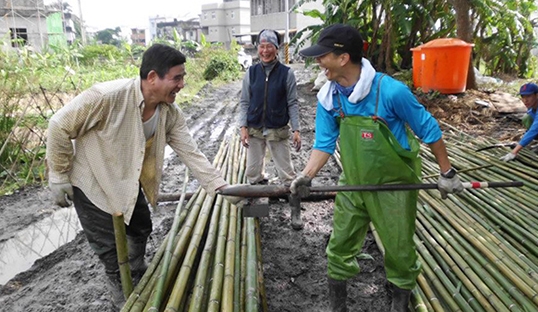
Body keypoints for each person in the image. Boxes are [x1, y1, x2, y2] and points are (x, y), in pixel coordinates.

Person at [46, 44, 242, 310]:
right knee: (111, 252)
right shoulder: (106, 97)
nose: (182, 84)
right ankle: (121, 292)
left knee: (140, 227)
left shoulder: (169, 113)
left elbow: (191, 153)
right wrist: (58, 174)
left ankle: (136, 269)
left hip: (126, 181)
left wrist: (220, 187)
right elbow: (59, 124)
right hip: (93, 184)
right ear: (152, 77)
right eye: (177, 78)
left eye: (183, 78)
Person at [291, 24, 464, 312]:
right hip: (353, 185)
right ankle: (339, 308)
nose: (318, 62)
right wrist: (306, 177)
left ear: (343, 57)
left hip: (393, 187)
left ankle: (399, 304)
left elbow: (429, 130)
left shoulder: (390, 92)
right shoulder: (329, 97)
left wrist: (447, 173)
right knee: (338, 248)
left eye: (322, 56)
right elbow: (324, 143)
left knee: (398, 253)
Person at [238, 29, 303, 229]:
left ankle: (295, 211)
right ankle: (257, 211)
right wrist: (243, 126)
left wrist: (296, 129)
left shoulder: (287, 73)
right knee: (253, 172)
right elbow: (244, 102)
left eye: (269, 46)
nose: (265, 51)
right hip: (256, 127)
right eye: (262, 46)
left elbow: (292, 102)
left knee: (287, 173)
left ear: (277, 49)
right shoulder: (251, 72)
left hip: (278, 127)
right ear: (257, 48)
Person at [500, 82, 538, 161]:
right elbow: (531, 129)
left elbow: (534, 129)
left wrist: (514, 152)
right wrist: (521, 143)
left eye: (529, 96)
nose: (525, 100)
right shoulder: (532, 105)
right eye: (523, 96)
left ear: (537, 95)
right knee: (527, 119)